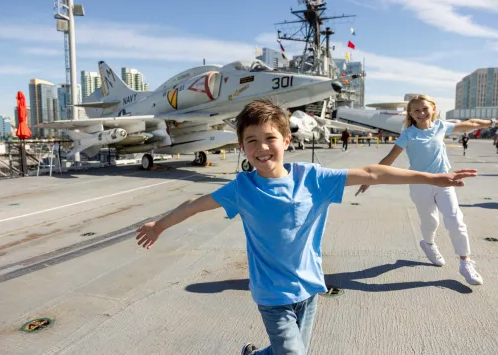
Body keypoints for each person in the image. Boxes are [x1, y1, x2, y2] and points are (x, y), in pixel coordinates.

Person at [136, 99, 477, 355]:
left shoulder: (312, 179)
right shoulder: (242, 189)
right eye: (251, 141)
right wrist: (159, 225)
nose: (260, 147)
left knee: (290, 350)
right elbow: (195, 205)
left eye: (269, 138)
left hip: (309, 289)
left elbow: (373, 173)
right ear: (242, 147)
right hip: (272, 296)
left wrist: (433, 176)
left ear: (286, 140)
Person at [356, 94, 496, 286]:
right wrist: (370, 178)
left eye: (424, 109)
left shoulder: (441, 126)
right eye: (416, 110)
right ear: (411, 114)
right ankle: (428, 244)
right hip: (419, 183)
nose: (421, 113)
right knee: (431, 222)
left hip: (444, 180)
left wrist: (493, 121)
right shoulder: (408, 134)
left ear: (433, 109)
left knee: (456, 220)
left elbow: (470, 123)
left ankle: (465, 262)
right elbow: (390, 159)